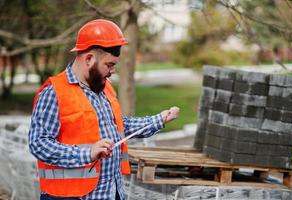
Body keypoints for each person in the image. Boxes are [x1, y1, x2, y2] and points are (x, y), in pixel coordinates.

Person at [28, 19, 180, 200]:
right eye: (109, 65)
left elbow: (118, 126)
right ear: (89, 59)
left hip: (110, 193)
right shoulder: (54, 92)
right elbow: (39, 143)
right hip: (70, 196)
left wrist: (158, 120)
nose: (112, 71)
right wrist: (87, 153)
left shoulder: (103, 87)